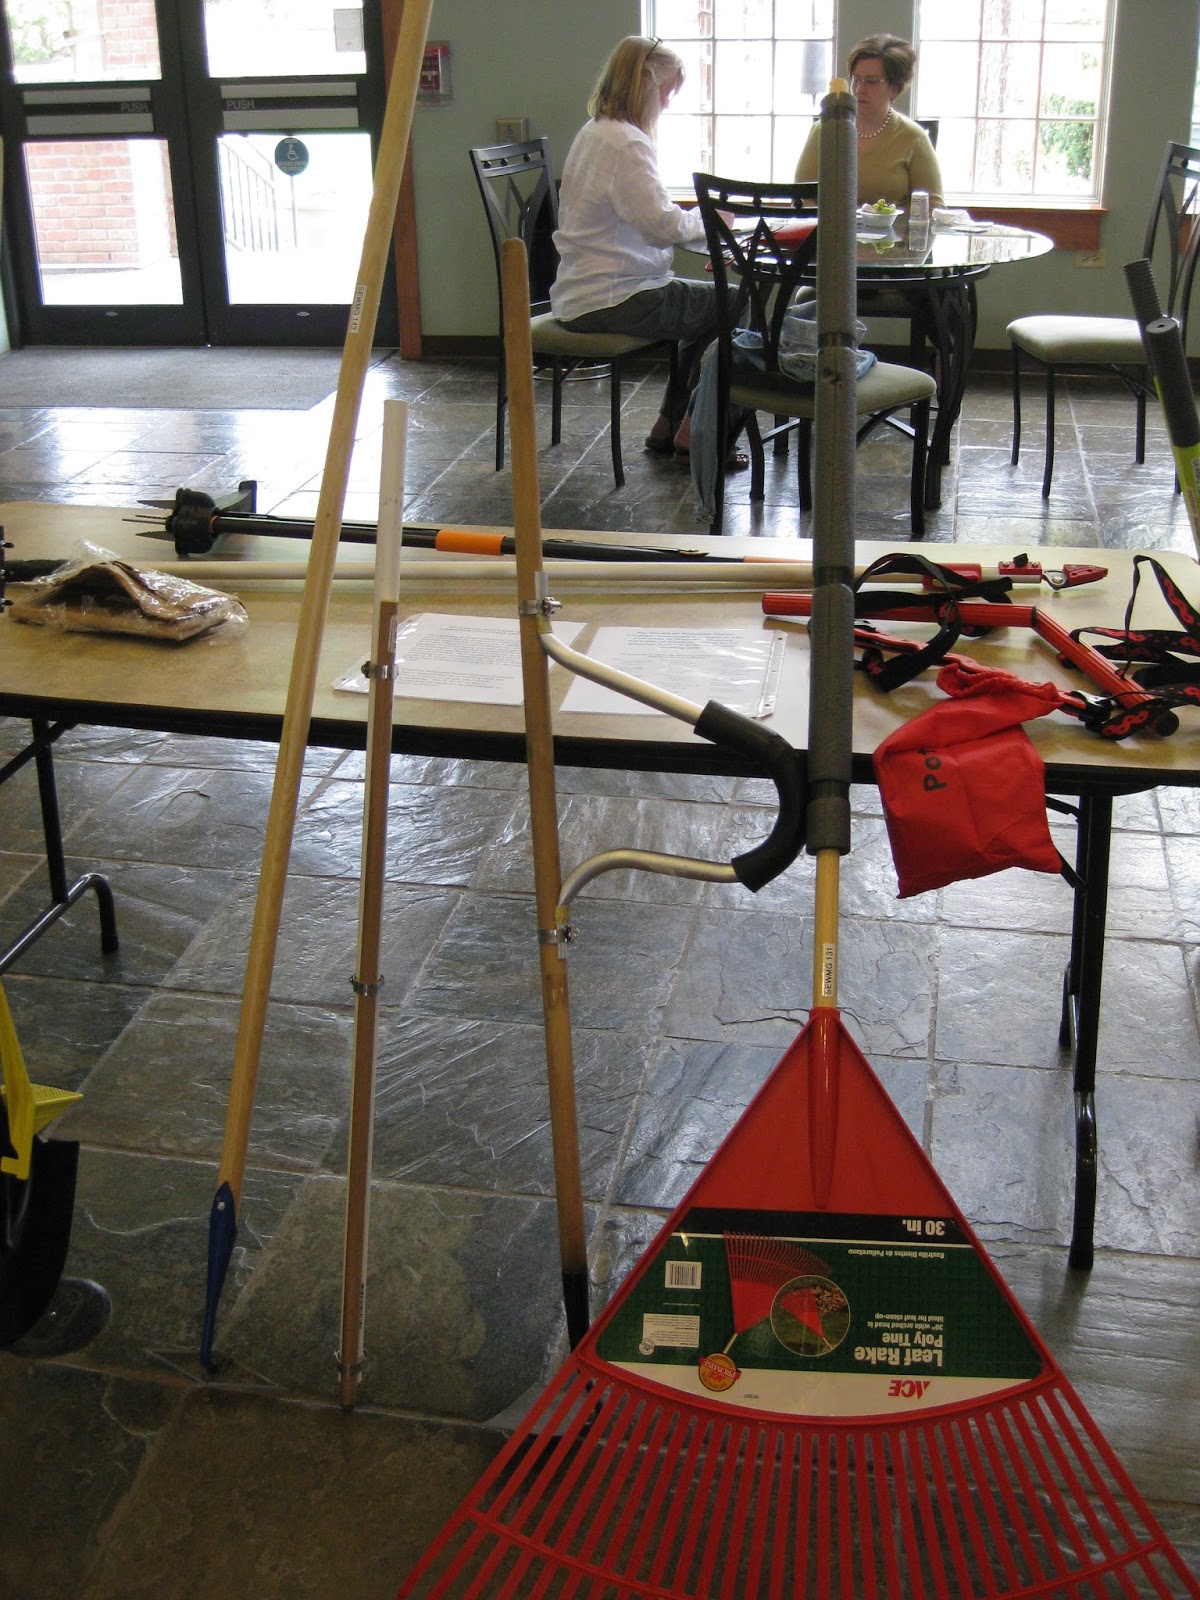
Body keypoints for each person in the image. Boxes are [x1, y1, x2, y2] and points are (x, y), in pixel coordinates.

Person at [551, 35, 721, 463]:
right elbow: (663, 226)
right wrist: (716, 222)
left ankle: (673, 422)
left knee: (703, 310)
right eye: (666, 92)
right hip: (616, 297)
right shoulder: (627, 143)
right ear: (645, 85)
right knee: (736, 305)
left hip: (579, 293)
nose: (666, 104)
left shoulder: (593, 132)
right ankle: (694, 431)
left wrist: (697, 222)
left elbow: (647, 214)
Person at [794, 34, 944, 211]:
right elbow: (801, 197)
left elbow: (934, 206)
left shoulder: (914, 138)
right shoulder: (824, 131)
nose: (860, 89)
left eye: (871, 82)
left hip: (895, 237)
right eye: (856, 80)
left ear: (894, 88)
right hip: (833, 235)